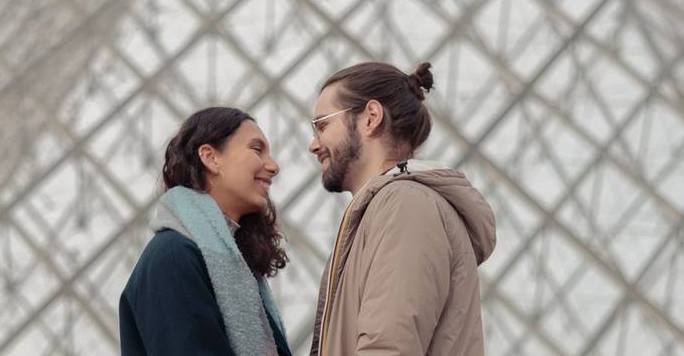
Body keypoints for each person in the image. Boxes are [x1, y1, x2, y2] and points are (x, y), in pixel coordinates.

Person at [308, 61, 496, 356]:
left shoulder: (405, 204)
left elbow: (389, 346)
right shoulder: (391, 206)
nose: (313, 144)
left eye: (322, 125)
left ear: (370, 117)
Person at [119, 106, 292, 356]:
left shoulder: (234, 265)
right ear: (210, 158)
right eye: (256, 149)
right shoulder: (173, 258)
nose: (273, 166)